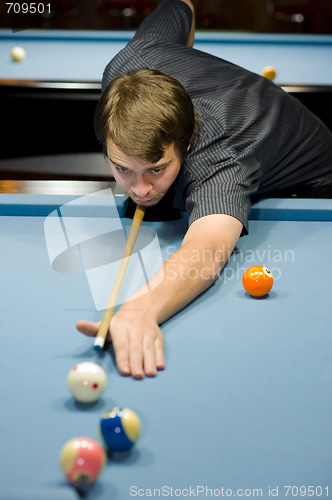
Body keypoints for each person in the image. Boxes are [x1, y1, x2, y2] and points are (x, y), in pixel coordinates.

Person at [77, 0, 332, 379]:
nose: (141, 189)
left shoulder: (220, 158)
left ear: (188, 144)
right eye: (122, 169)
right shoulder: (130, 64)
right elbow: (180, 7)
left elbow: (206, 248)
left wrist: (140, 309)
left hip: (313, 182)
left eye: (156, 169)